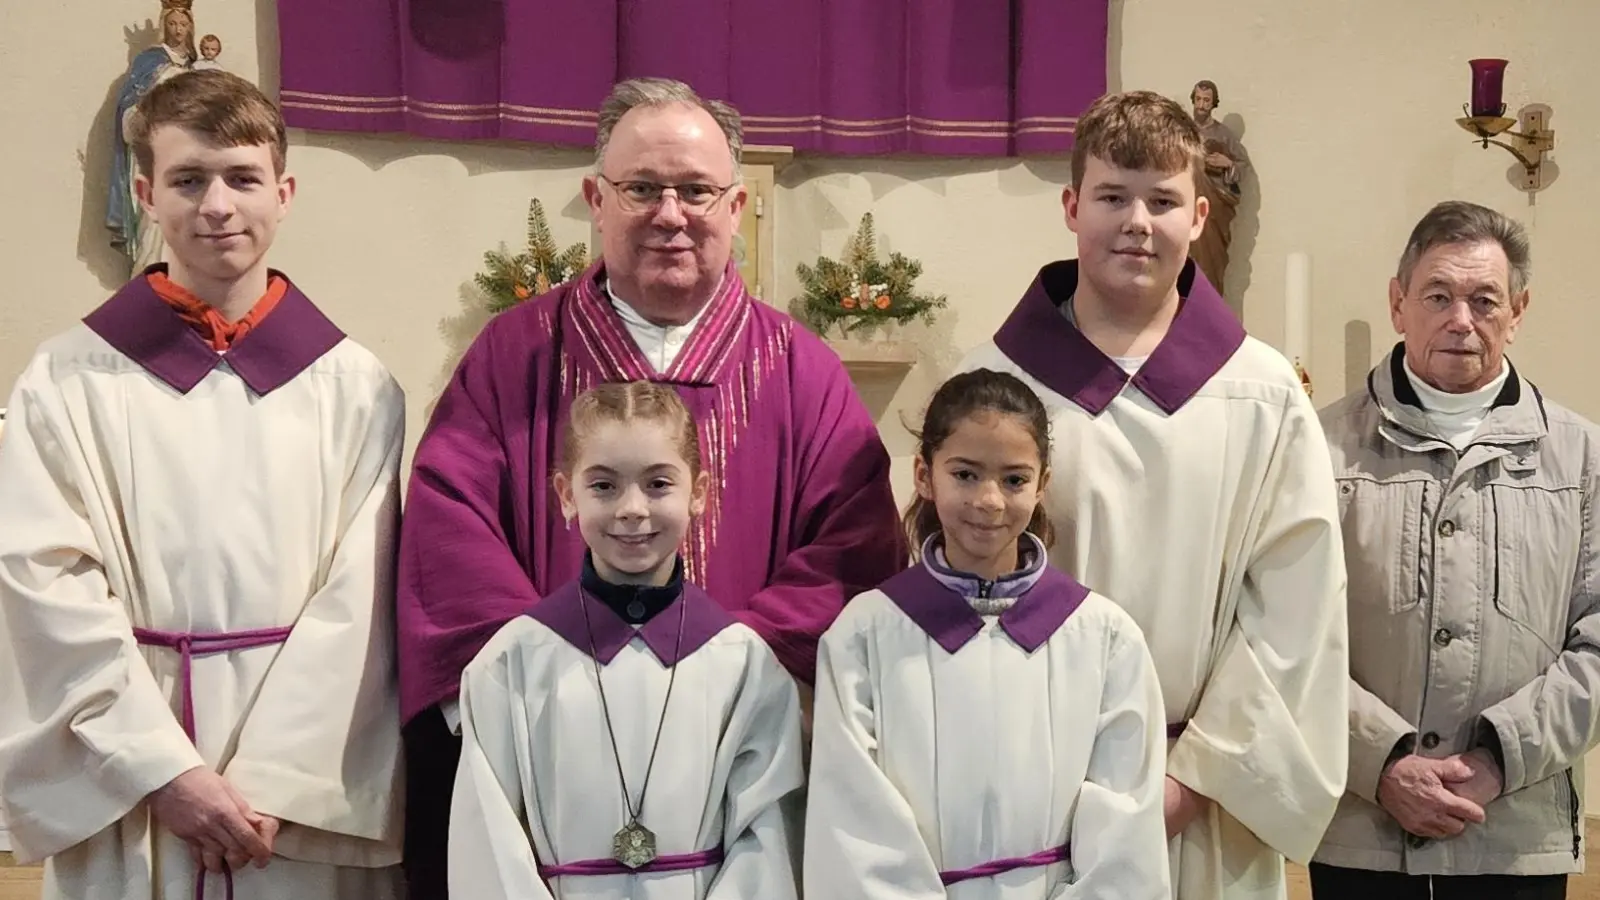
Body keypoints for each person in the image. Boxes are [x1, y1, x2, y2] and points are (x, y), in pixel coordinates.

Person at [396, 76, 903, 897]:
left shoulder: (800, 369)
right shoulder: (514, 354)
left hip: (743, 741)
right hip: (553, 747)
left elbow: (854, 549)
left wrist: (728, 677)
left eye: (697, 190)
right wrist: (537, 682)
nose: (672, 213)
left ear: (737, 208)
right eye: (642, 189)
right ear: (596, 200)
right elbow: (447, 535)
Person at [0, 69, 406, 899]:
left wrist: (276, 784)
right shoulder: (68, 379)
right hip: (135, 784)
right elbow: (43, 586)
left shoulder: (357, 388)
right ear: (147, 194)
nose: (218, 204)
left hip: (293, 811)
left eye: (242, 178)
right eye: (189, 179)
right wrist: (162, 770)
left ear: (284, 192)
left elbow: (361, 605)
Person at [958, 89, 1348, 900]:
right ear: (1071, 207)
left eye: (1162, 200)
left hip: (1200, 799)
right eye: (1111, 196)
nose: (1137, 221)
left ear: (1200, 216)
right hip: (1028, 783)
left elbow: (1296, 610)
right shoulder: (991, 387)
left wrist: (1192, 781)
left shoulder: (1262, 392)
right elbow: (949, 579)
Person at [1310, 200, 1600, 900]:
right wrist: (1378, 761)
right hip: (1360, 830)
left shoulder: (1581, 456)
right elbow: (1282, 637)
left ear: (1518, 309)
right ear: (1397, 302)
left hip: (1513, 833)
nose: (1460, 319)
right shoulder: (1318, 449)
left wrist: (1501, 757)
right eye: (1437, 295)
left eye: (1483, 299)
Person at [804, 368, 1170, 899]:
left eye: (1015, 479)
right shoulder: (865, 636)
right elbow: (853, 819)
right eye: (966, 474)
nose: (990, 500)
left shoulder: (1103, 637)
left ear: (1043, 485)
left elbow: (1126, 824)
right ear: (925, 476)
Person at [449, 381, 804, 899]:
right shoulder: (513, 662)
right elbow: (488, 842)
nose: (632, 508)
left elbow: (766, 838)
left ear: (699, 493)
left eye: (658, 484)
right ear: (567, 495)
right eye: (604, 486)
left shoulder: (743, 662)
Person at [109, 0, 197, 272]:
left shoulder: (197, 66)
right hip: (156, 146)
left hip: (187, 153)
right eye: (172, 23)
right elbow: (129, 106)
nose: (178, 30)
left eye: (183, 24)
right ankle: (148, 271)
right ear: (164, 25)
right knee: (154, 213)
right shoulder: (150, 61)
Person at [1185, 80, 1251, 295]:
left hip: (1214, 210)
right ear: (1193, 100)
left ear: (1214, 104)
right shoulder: (1182, 132)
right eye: (1199, 99)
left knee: (1211, 264)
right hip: (1185, 206)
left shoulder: (1224, 135)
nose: (1202, 105)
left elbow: (1242, 165)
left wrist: (1228, 163)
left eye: (1207, 100)